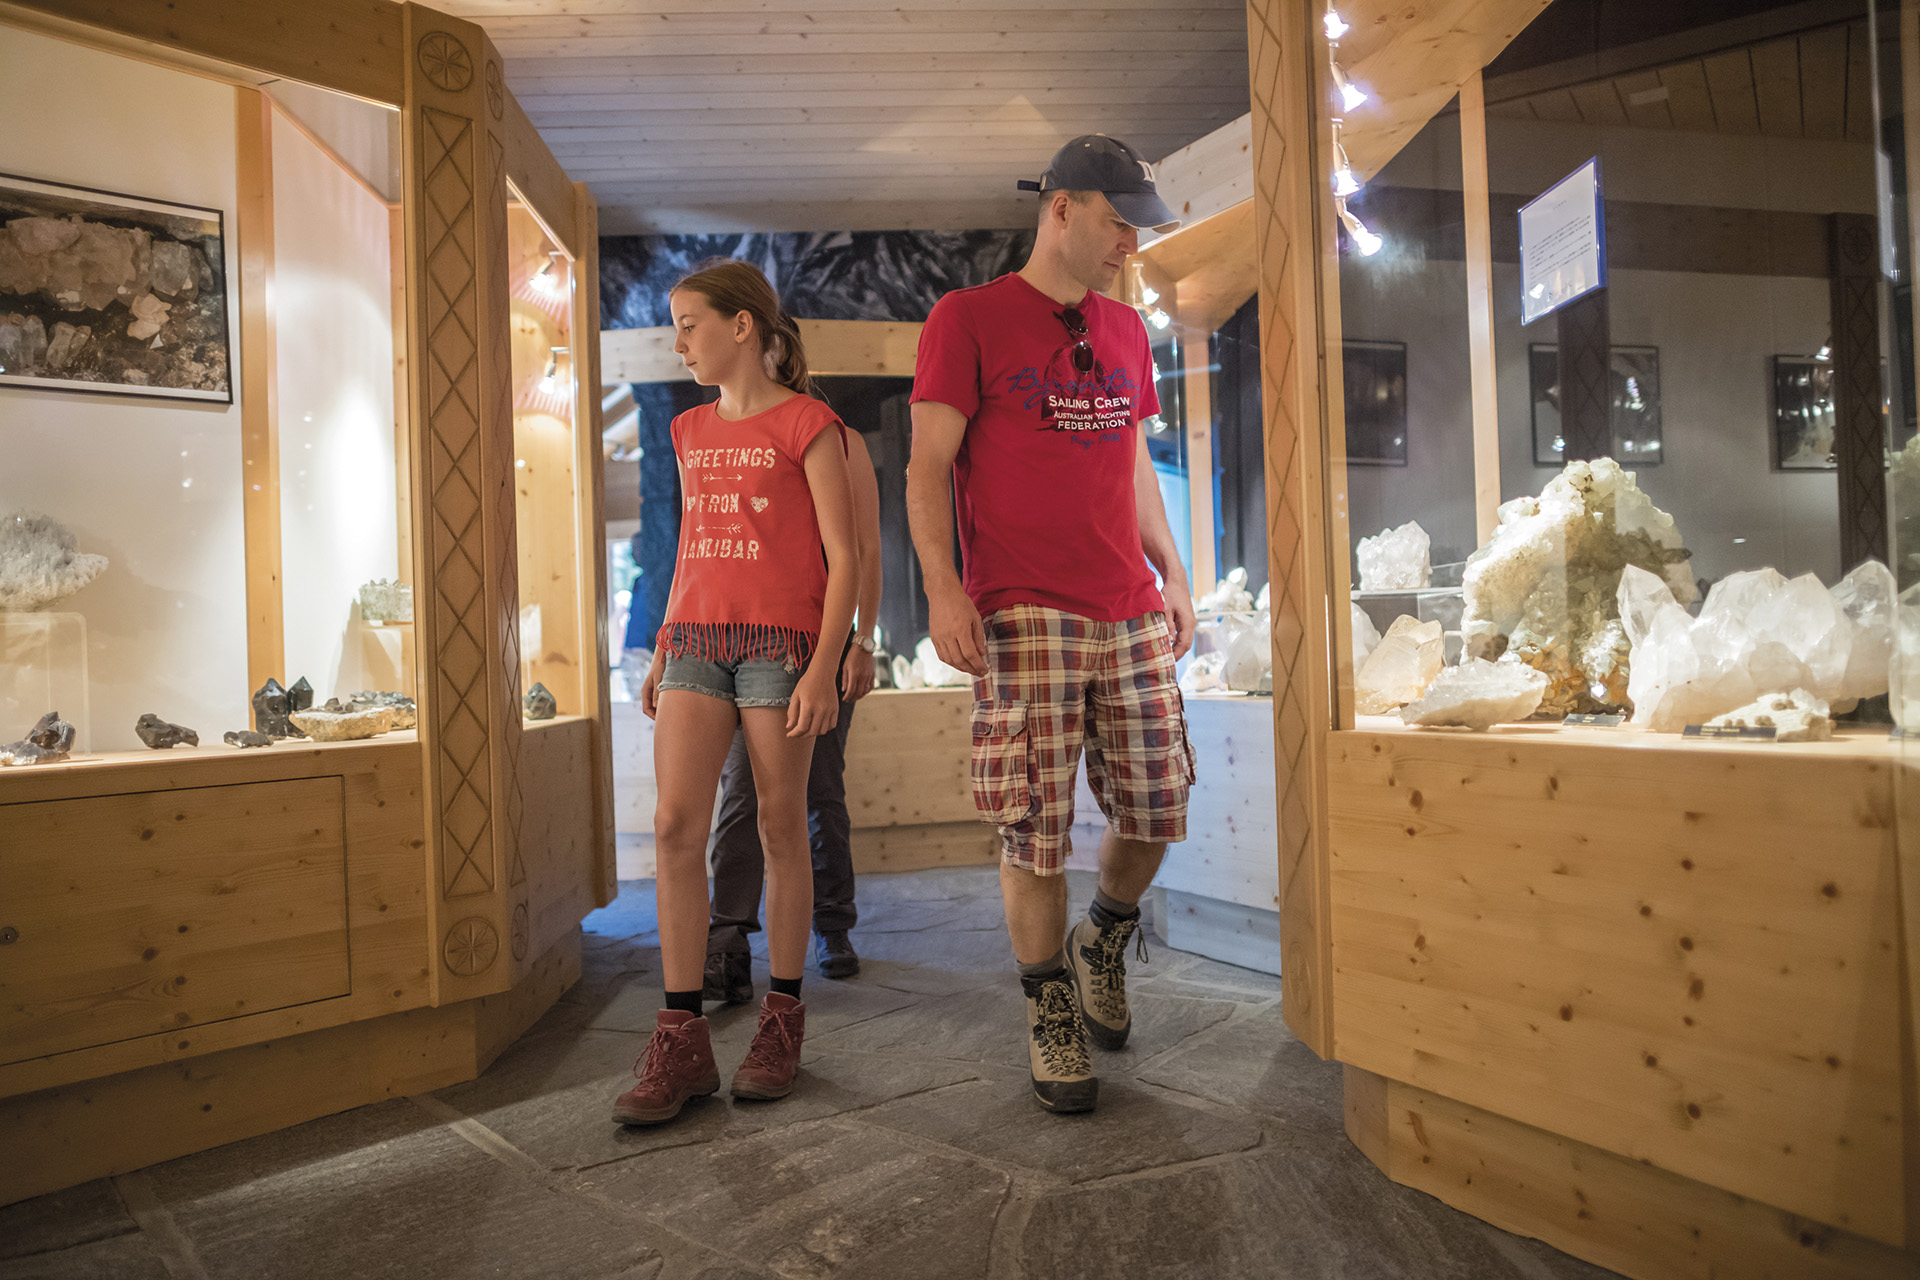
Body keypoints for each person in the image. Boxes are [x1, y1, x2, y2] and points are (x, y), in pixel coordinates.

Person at [906, 135, 1197, 1114]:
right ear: (1062, 208)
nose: (1127, 242)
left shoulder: (1124, 328)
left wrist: (1175, 565)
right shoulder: (968, 318)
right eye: (1117, 221)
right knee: (1033, 826)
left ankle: (1101, 938)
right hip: (1022, 605)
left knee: (1159, 805)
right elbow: (926, 468)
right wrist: (945, 591)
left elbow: (1131, 459)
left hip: (1126, 604)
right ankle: (1049, 1008)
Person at [612, 259, 859, 1126]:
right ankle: (679, 1042)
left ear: (743, 325)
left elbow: (846, 557)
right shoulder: (688, 431)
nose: (679, 341)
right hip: (696, 641)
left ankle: (781, 1024)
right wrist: (663, 645)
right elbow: (691, 548)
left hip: (780, 646)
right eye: (675, 326)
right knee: (675, 825)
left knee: (780, 825)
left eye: (690, 323)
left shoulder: (809, 423)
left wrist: (827, 665)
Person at [704, 425, 883, 1002]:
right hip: (744, 643)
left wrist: (862, 642)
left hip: (819, 642)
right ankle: (727, 940)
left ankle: (832, 928)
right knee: (740, 791)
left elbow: (866, 547)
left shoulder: (841, 440)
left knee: (820, 789)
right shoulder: (736, 436)